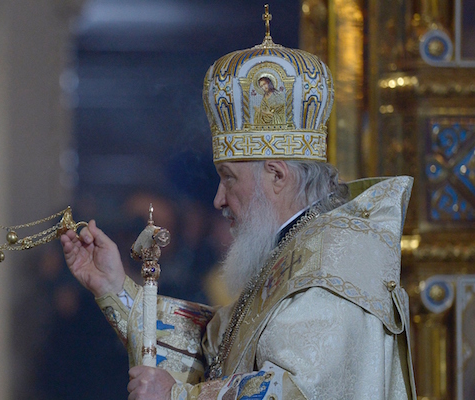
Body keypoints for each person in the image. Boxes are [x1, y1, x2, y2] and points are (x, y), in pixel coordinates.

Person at [60, 23, 417, 400]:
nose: (218, 199)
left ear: (277, 176)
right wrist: (116, 289)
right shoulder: (296, 252)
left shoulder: (332, 268)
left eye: (228, 178)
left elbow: (297, 391)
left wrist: (180, 397)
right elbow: (212, 348)